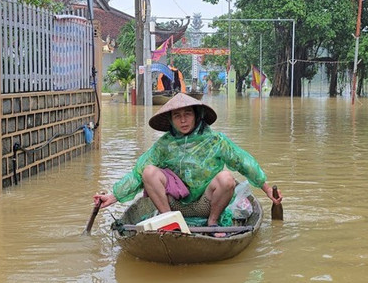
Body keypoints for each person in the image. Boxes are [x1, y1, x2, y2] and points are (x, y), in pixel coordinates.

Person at [92, 93, 281, 228]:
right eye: (177, 116)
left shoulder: (215, 140)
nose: (183, 120)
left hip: (207, 203)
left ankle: (213, 223)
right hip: (174, 205)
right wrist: (113, 196)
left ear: (197, 116)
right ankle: (168, 222)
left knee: (227, 178)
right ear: (171, 120)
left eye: (187, 114)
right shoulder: (164, 145)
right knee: (149, 171)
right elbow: (138, 173)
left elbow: (244, 163)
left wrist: (266, 189)